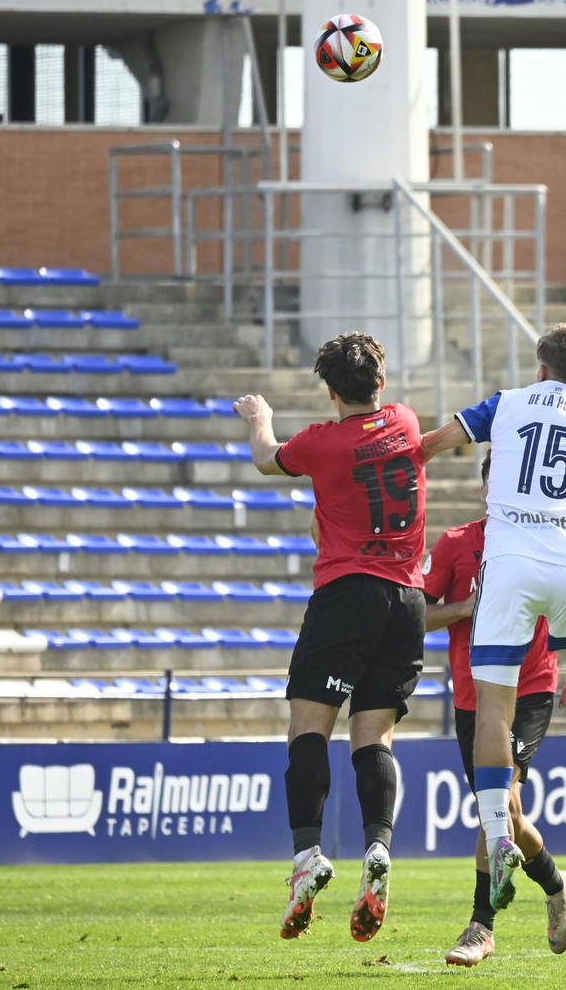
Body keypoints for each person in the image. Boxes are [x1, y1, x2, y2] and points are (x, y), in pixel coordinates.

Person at [421, 323, 566, 913]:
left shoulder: (507, 404)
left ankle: (499, 834)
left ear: (540, 368)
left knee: (493, 705)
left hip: (508, 566)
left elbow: (434, 443)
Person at [234, 332, 427, 943]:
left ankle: (307, 856)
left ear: (330, 390)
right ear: (382, 381)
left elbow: (267, 459)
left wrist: (260, 418)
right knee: (373, 736)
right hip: (409, 599)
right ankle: (379, 847)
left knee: (308, 727)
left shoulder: (322, 442)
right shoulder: (404, 419)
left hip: (349, 594)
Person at [425, 456, 566, 967]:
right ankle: (556, 885)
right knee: (507, 813)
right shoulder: (454, 543)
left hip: (530, 687)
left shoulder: (545, 539)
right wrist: (465, 609)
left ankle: (480, 927)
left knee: (497, 800)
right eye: (496, 480)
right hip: (472, 696)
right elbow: (419, 615)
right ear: (485, 488)